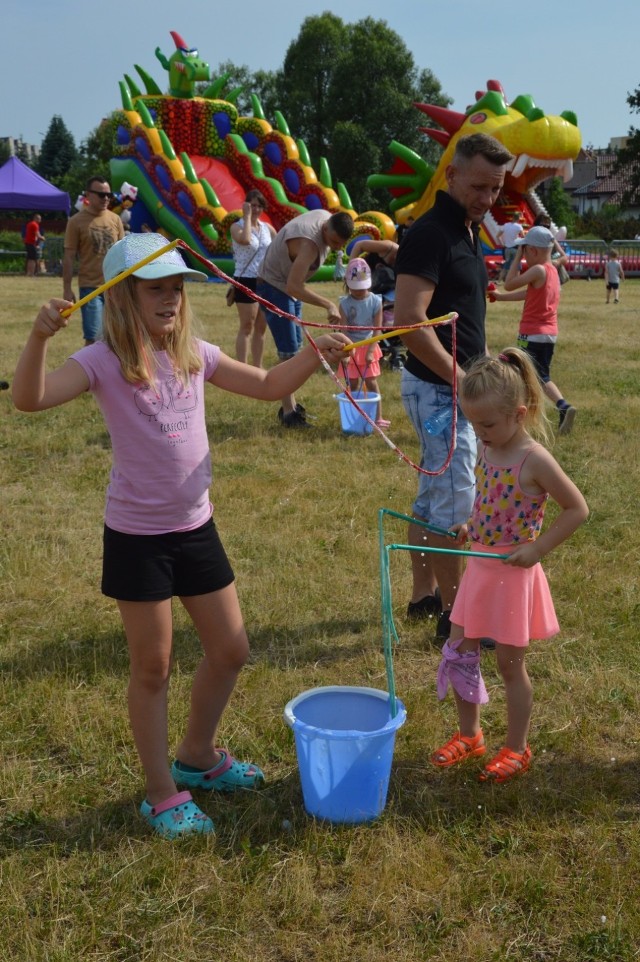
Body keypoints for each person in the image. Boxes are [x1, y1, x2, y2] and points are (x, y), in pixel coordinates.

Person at [11, 232, 350, 839]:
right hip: (138, 538)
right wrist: (38, 337)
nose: (169, 299)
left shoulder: (196, 353)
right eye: (154, 289)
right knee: (153, 667)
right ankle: (161, 792)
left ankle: (197, 754)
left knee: (231, 649)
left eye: (175, 288)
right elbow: (29, 400)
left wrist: (316, 353)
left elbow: (270, 386)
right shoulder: (101, 361)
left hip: (197, 527)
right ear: (122, 297)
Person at [431, 348, 588, 782]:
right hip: (479, 568)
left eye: (487, 424)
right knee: (459, 654)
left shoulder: (533, 459)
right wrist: (469, 525)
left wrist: (537, 550)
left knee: (508, 666)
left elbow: (577, 509)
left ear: (519, 414)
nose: (478, 433)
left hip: (513, 575)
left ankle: (517, 748)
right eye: (473, 423)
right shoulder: (488, 448)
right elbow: (488, 503)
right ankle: (470, 735)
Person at [393, 132, 513, 642]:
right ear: (452, 175)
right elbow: (409, 320)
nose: (488, 199)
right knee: (455, 505)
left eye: (496, 190)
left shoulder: (465, 227)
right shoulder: (430, 232)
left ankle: (424, 596)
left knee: (431, 499)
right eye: (480, 187)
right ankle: (456, 616)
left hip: (447, 388)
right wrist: (461, 380)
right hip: (442, 392)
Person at [257, 209, 354, 428]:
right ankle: (288, 413)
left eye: (341, 244)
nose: (336, 247)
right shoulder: (310, 245)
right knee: (289, 354)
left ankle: (290, 406)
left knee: (294, 348)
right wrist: (328, 304)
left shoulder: (325, 217)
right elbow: (294, 285)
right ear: (325, 228)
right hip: (274, 287)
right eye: (334, 241)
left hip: (285, 288)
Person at [490, 225, 577, 434]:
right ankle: (560, 407)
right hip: (548, 334)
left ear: (534, 251)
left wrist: (516, 255)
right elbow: (529, 294)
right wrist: (501, 298)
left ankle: (526, 414)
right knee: (539, 375)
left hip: (532, 334)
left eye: (526, 250)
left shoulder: (537, 270)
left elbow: (509, 283)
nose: (524, 254)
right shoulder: (552, 270)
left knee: (518, 371)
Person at [63, 175, 125, 345]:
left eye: (109, 195)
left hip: (115, 286)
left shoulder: (115, 219)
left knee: (118, 336)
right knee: (93, 338)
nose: (106, 198)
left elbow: (123, 253)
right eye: (101, 195)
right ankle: (89, 371)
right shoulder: (75, 222)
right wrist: (67, 289)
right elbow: (68, 257)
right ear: (88, 195)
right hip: (90, 288)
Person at [338, 257, 388, 427]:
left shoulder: (375, 301)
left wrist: (370, 351)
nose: (359, 292)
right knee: (353, 383)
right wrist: (345, 351)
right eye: (355, 289)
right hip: (351, 346)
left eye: (362, 288)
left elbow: (377, 329)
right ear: (347, 284)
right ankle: (355, 415)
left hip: (369, 344)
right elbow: (343, 329)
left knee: (371, 382)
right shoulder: (344, 304)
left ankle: (378, 417)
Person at [230, 190, 276, 367]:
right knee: (247, 326)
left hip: (264, 281)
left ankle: (258, 367)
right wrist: (248, 217)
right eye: (252, 205)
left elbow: (278, 245)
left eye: (259, 206)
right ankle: (242, 368)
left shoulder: (267, 228)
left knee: (261, 327)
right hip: (245, 280)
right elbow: (246, 239)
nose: (256, 209)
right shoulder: (238, 226)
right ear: (246, 205)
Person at [497, 211, 525, 282]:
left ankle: (499, 281)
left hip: (507, 248)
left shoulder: (505, 225)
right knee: (517, 266)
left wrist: (502, 244)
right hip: (515, 248)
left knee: (506, 266)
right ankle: (517, 281)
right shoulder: (519, 226)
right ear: (518, 218)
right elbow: (524, 237)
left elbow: (498, 236)